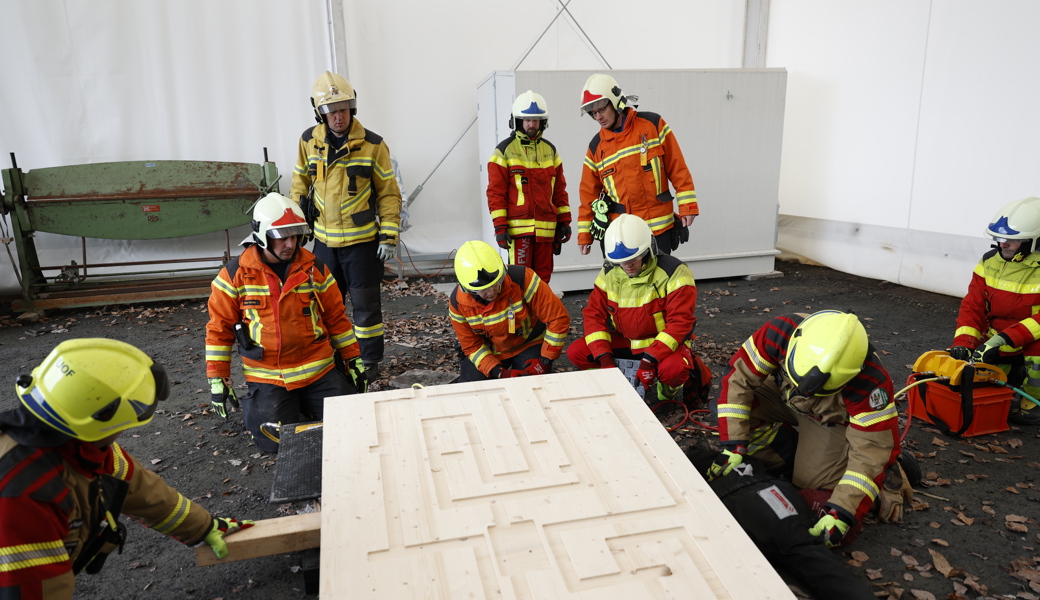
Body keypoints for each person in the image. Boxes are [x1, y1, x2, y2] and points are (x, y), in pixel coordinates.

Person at [0, 339, 251, 598]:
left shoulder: (81, 446)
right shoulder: (24, 495)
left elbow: (140, 490)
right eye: (125, 423)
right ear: (100, 422)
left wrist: (203, 526)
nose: (122, 431)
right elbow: (35, 589)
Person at [711, 310, 907, 548]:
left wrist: (843, 513)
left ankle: (884, 475)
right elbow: (738, 379)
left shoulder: (871, 383)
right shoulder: (781, 330)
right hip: (785, 396)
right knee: (728, 410)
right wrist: (734, 445)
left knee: (811, 489)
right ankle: (792, 453)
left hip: (830, 421)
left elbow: (872, 450)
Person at [205, 192, 365, 453]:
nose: (290, 244)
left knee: (352, 428)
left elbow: (336, 318)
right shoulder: (235, 276)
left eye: (295, 236)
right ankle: (292, 405)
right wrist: (217, 378)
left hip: (318, 370)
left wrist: (352, 358)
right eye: (281, 237)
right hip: (269, 376)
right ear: (262, 235)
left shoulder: (315, 269)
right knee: (274, 445)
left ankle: (306, 402)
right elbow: (218, 330)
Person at [290, 71, 402, 382]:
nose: (338, 117)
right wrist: (297, 226)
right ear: (319, 112)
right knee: (327, 306)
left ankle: (369, 362)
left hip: (363, 244)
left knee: (366, 310)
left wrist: (389, 234)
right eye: (331, 111)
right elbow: (299, 183)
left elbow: (389, 194)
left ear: (352, 108)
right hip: (324, 243)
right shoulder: (308, 142)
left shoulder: (373, 145)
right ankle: (334, 360)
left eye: (344, 109)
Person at [684, 448, 877, 600]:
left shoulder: (709, 471)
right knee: (816, 562)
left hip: (743, 503)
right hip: (777, 501)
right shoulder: (750, 466)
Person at [566, 215, 709, 405]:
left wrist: (650, 360)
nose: (627, 266)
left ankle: (665, 399)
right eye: (620, 262)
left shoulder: (674, 272)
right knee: (576, 352)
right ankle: (610, 383)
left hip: (661, 346)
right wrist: (605, 359)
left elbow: (680, 324)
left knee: (675, 369)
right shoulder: (609, 272)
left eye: (633, 259)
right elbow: (594, 315)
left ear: (649, 250)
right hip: (625, 341)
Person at [576, 73, 698, 257]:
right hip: (621, 234)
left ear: (615, 102)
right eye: (593, 113)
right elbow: (588, 195)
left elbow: (677, 167)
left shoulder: (652, 125)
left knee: (659, 283)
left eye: (601, 109)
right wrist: (585, 235)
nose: (598, 117)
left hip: (658, 230)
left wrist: (687, 206)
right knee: (626, 286)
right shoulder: (596, 148)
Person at [949, 196, 1040, 425]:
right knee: (970, 367)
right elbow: (973, 306)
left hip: (1029, 340)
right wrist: (964, 343)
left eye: (1011, 240)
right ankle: (1014, 377)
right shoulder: (990, 261)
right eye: (999, 238)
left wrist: (1002, 340)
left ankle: (1034, 403)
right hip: (999, 338)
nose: (1002, 244)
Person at [448, 240, 570, 382]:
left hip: (528, 343)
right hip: (490, 350)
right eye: (484, 290)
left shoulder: (523, 278)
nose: (492, 292)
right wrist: (498, 372)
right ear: (468, 289)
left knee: (533, 383)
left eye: (497, 282)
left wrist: (545, 361)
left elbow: (558, 318)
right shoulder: (458, 303)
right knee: (474, 388)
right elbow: (472, 346)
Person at [486, 90, 571, 283]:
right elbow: (495, 193)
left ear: (543, 122)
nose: (532, 124)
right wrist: (500, 227)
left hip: (547, 232)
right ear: (517, 121)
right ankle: (522, 315)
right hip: (519, 233)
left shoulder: (550, 150)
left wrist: (564, 222)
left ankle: (541, 314)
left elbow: (559, 191)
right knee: (521, 281)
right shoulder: (504, 151)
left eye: (536, 120)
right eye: (527, 120)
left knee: (543, 282)